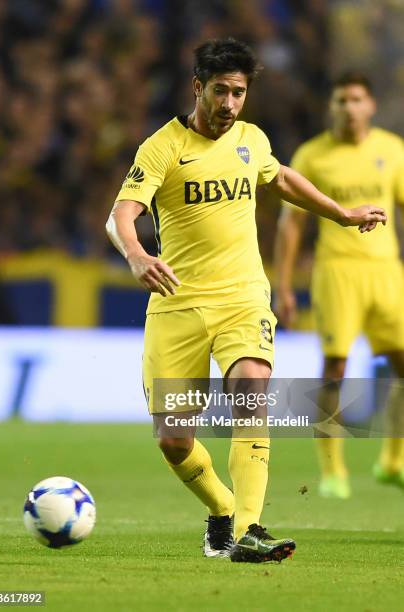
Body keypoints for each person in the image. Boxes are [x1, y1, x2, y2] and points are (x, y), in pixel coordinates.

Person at [106, 41, 386, 563]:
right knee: (174, 439)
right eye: (220, 91)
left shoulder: (251, 140)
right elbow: (121, 215)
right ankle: (222, 509)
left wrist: (341, 214)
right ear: (198, 88)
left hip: (243, 296)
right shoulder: (162, 147)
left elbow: (279, 177)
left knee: (251, 392)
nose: (230, 103)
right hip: (177, 303)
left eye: (239, 93)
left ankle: (252, 528)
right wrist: (138, 255)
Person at [274, 72, 404, 499]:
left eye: (357, 100)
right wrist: (285, 287)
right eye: (341, 100)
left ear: (370, 106)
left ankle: (393, 461)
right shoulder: (312, 156)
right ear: (331, 107)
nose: (349, 108)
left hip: (386, 271)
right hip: (336, 272)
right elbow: (291, 226)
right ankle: (333, 471)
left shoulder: (392, 149)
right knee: (335, 369)